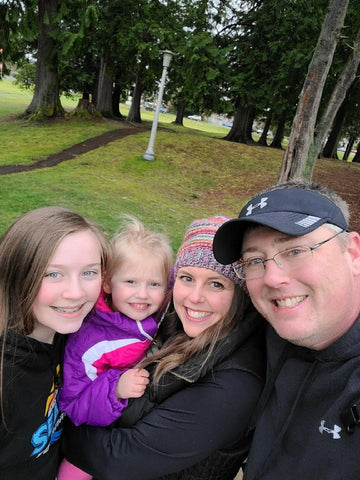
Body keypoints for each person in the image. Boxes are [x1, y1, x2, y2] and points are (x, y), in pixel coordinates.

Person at [63, 215, 265, 480]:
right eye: (187, 278)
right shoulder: (173, 320)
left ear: (240, 293)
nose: (195, 297)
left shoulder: (233, 383)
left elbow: (121, 459)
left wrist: (59, 431)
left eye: (216, 284)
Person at [212, 180, 360, 479]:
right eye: (255, 260)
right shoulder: (266, 326)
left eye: (294, 250)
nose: (272, 278)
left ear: (353, 253)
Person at [57, 216, 173, 480]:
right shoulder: (90, 342)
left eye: (153, 284)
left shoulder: (156, 309)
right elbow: (72, 403)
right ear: (108, 283)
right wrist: (116, 387)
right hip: (93, 434)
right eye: (130, 282)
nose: (142, 295)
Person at [0, 206, 109, 480]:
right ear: (17, 276)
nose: (75, 293)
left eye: (89, 272)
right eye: (53, 274)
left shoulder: (72, 336)